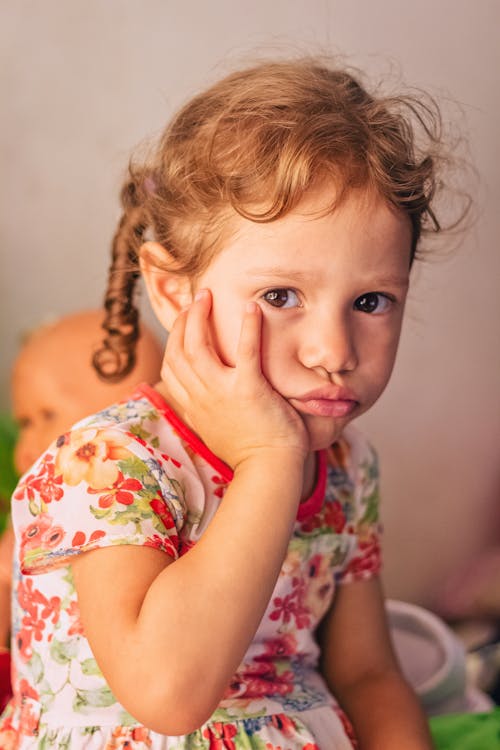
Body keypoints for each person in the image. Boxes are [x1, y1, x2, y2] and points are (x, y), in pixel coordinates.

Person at [1, 57, 460, 748]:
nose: (331, 350)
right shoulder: (112, 463)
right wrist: (268, 462)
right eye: (281, 297)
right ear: (173, 291)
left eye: (370, 301)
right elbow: (167, 693)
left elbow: (367, 675)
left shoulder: (347, 465)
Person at [0, 310, 162, 712]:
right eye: (24, 422)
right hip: (55, 713)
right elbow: (5, 579)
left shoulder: (162, 494)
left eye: (44, 416)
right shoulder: (39, 511)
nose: (24, 446)